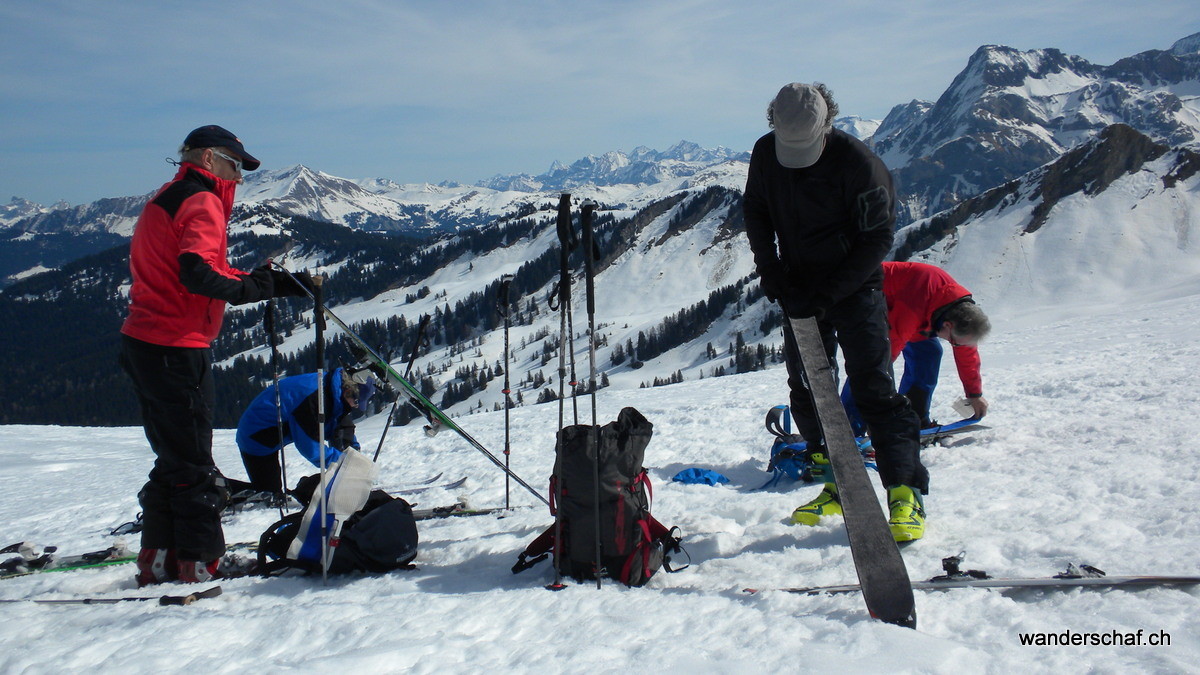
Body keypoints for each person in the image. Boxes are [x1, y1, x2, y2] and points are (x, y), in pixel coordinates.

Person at [119, 125, 313, 586]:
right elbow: (199, 274)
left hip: (144, 340)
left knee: (174, 460)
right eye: (235, 165)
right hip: (176, 344)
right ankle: (199, 564)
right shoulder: (202, 200)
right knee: (196, 468)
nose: (240, 178)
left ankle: (161, 560)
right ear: (209, 159)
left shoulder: (167, 195)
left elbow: (193, 268)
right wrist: (257, 287)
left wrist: (262, 283)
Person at [742, 83, 926, 541]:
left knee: (873, 387)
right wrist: (773, 272)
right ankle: (838, 481)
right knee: (808, 386)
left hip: (854, 284)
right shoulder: (767, 153)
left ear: (828, 125)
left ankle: (905, 492)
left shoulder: (859, 164)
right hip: (798, 284)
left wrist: (828, 294)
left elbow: (877, 239)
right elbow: (757, 212)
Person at [841, 261, 991, 433]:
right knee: (872, 368)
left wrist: (974, 395)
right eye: (953, 342)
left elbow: (967, 353)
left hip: (913, 315)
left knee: (929, 354)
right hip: (860, 297)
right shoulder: (914, 307)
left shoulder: (960, 315)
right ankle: (849, 428)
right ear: (948, 325)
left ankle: (914, 418)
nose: (955, 345)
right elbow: (879, 363)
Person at [235, 367, 378, 496]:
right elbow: (310, 447)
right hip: (257, 438)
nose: (355, 407)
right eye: (357, 402)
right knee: (270, 494)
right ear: (348, 391)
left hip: (270, 427)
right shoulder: (314, 400)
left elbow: (336, 421)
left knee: (342, 423)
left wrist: (352, 450)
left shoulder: (331, 387)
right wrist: (344, 464)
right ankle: (223, 489)